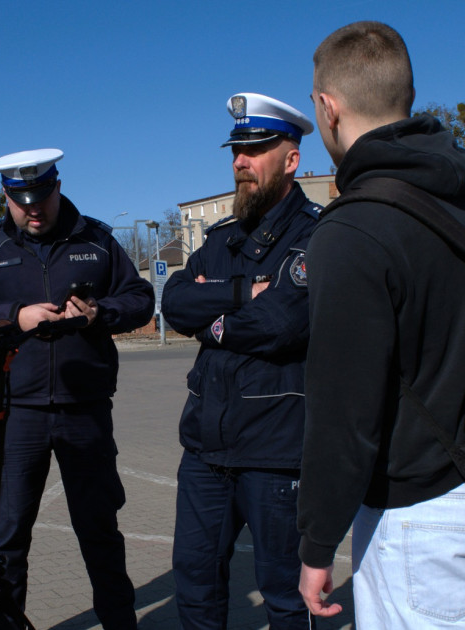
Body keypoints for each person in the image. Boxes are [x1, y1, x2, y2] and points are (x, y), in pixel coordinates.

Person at [297, 22, 465, 628]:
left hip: (421, 517)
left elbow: (344, 412)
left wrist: (317, 545)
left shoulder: (352, 229)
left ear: (328, 106)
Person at [0, 148, 154, 629]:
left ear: (58, 186)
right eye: (22, 200)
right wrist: (13, 317)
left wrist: (100, 312)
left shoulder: (97, 240)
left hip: (85, 410)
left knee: (100, 530)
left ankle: (121, 624)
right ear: (5, 195)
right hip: (14, 414)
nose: (34, 208)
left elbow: (139, 297)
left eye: (43, 196)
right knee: (8, 537)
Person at [160, 93, 320, 629]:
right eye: (236, 151)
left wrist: (213, 319)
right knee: (195, 578)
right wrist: (240, 295)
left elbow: (281, 325)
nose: (240, 163)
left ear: (291, 159)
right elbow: (175, 302)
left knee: (284, 592)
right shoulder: (221, 239)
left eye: (255, 150)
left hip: (276, 450)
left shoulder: (316, 235)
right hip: (206, 448)